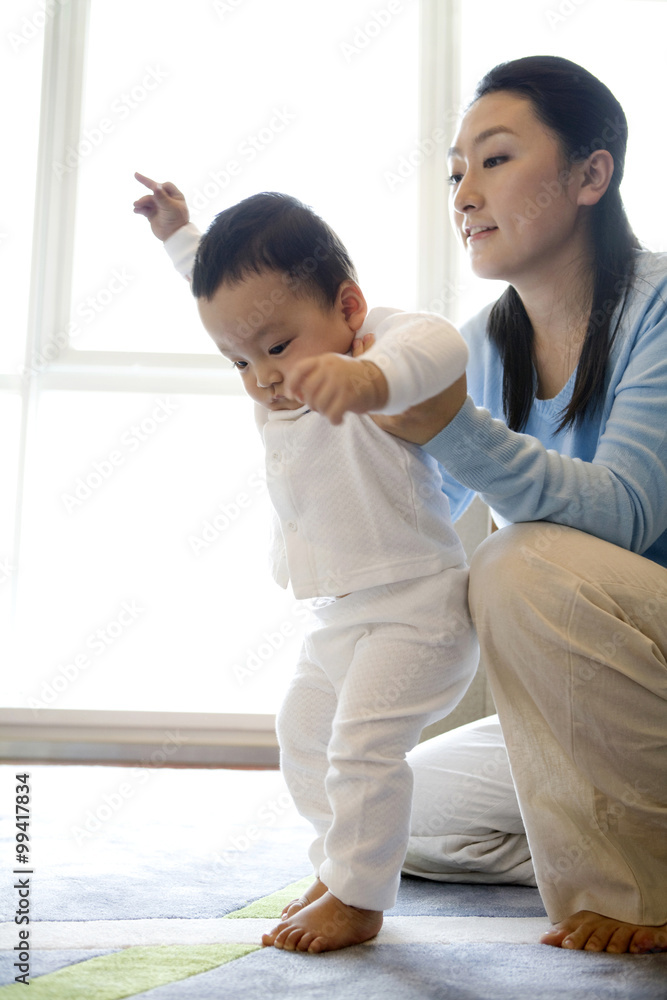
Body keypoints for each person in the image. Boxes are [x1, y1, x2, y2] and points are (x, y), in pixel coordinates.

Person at [133, 53, 667, 955]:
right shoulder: (489, 343)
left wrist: (436, 416)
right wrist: (188, 242)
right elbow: (404, 483)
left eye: (494, 160)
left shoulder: (652, 305)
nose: (462, 193)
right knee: (393, 809)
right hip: (601, 697)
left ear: (590, 173)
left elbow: (620, 514)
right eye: (455, 169)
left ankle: (639, 888)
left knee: (516, 560)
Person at [134, 186, 478, 953]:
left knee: (360, 746)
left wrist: (368, 380)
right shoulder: (270, 353)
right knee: (304, 735)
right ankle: (342, 862)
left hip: (417, 609)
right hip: (339, 615)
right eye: (240, 361)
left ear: (349, 308)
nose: (261, 375)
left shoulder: (380, 350)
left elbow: (443, 347)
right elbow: (232, 298)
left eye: (278, 349)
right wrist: (178, 235)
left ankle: (359, 898)